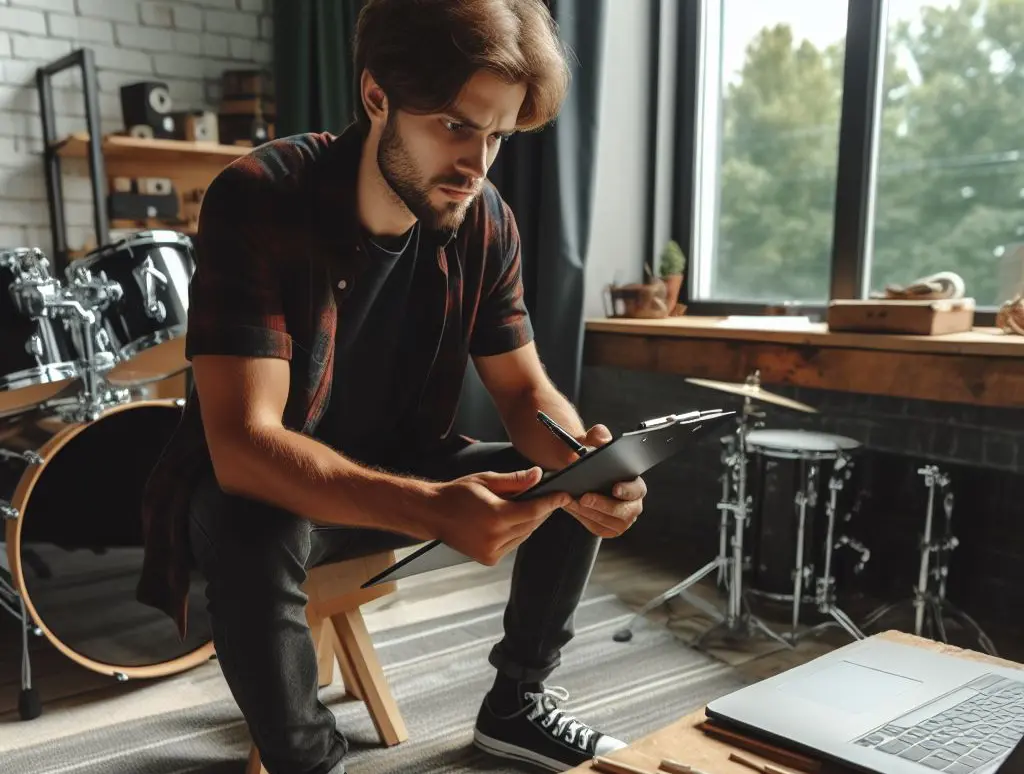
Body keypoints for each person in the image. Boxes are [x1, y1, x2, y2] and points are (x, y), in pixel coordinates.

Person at [136, 1, 647, 772]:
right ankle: (311, 761)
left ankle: (516, 703)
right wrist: (429, 508)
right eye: (453, 124)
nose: (477, 165)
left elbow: (523, 391)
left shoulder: (484, 220)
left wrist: (589, 463)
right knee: (248, 521)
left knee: (567, 476)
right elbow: (245, 447)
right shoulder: (259, 196)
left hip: (409, 468)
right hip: (278, 494)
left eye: (498, 136)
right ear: (378, 96)